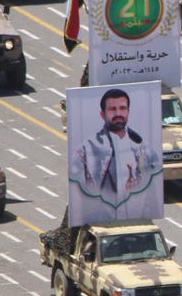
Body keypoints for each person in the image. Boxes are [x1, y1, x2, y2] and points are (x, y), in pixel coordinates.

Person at [69, 88, 163, 223]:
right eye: (112, 109)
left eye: (122, 108)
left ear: (128, 111)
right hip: (101, 222)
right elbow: (78, 195)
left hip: (136, 219)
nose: (118, 113)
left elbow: (153, 192)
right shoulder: (87, 149)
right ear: (103, 114)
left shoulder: (143, 148)